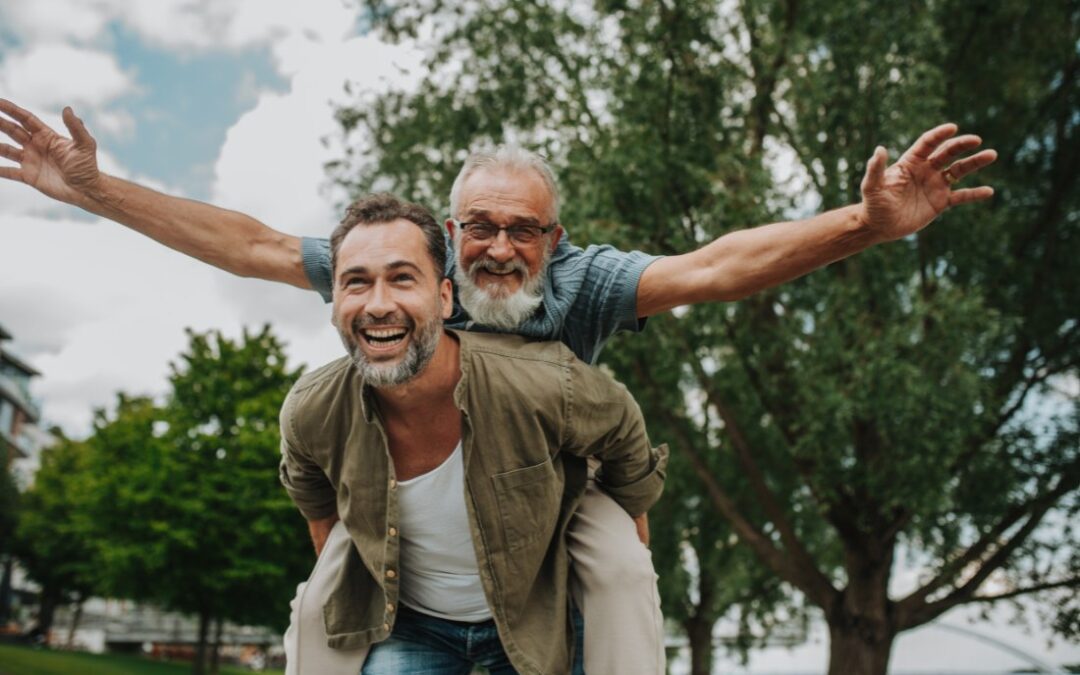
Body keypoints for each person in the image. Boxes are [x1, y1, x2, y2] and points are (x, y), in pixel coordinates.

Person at [0, 99, 997, 672]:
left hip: (557, 487)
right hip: (417, 492)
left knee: (622, 565)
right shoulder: (399, 273)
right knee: (321, 591)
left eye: (525, 229)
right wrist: (95, 190)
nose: (502, 247)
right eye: (481, 226)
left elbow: (716, 266)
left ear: (556, 238)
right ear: (448, 238)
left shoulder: (584, 282)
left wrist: (864, 224)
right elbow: (251, 244)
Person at [279, 192, 666, 674]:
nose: (379, 305)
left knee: (624, 572)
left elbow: (623, 432)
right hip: (412, 625)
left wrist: (625, 552)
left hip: (537, 617)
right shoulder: (311, 411)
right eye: (356, 283)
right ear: (335, 303)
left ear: (445, 298)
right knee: (310, 611)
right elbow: (318, 508)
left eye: (402, 279)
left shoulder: (544, 382)